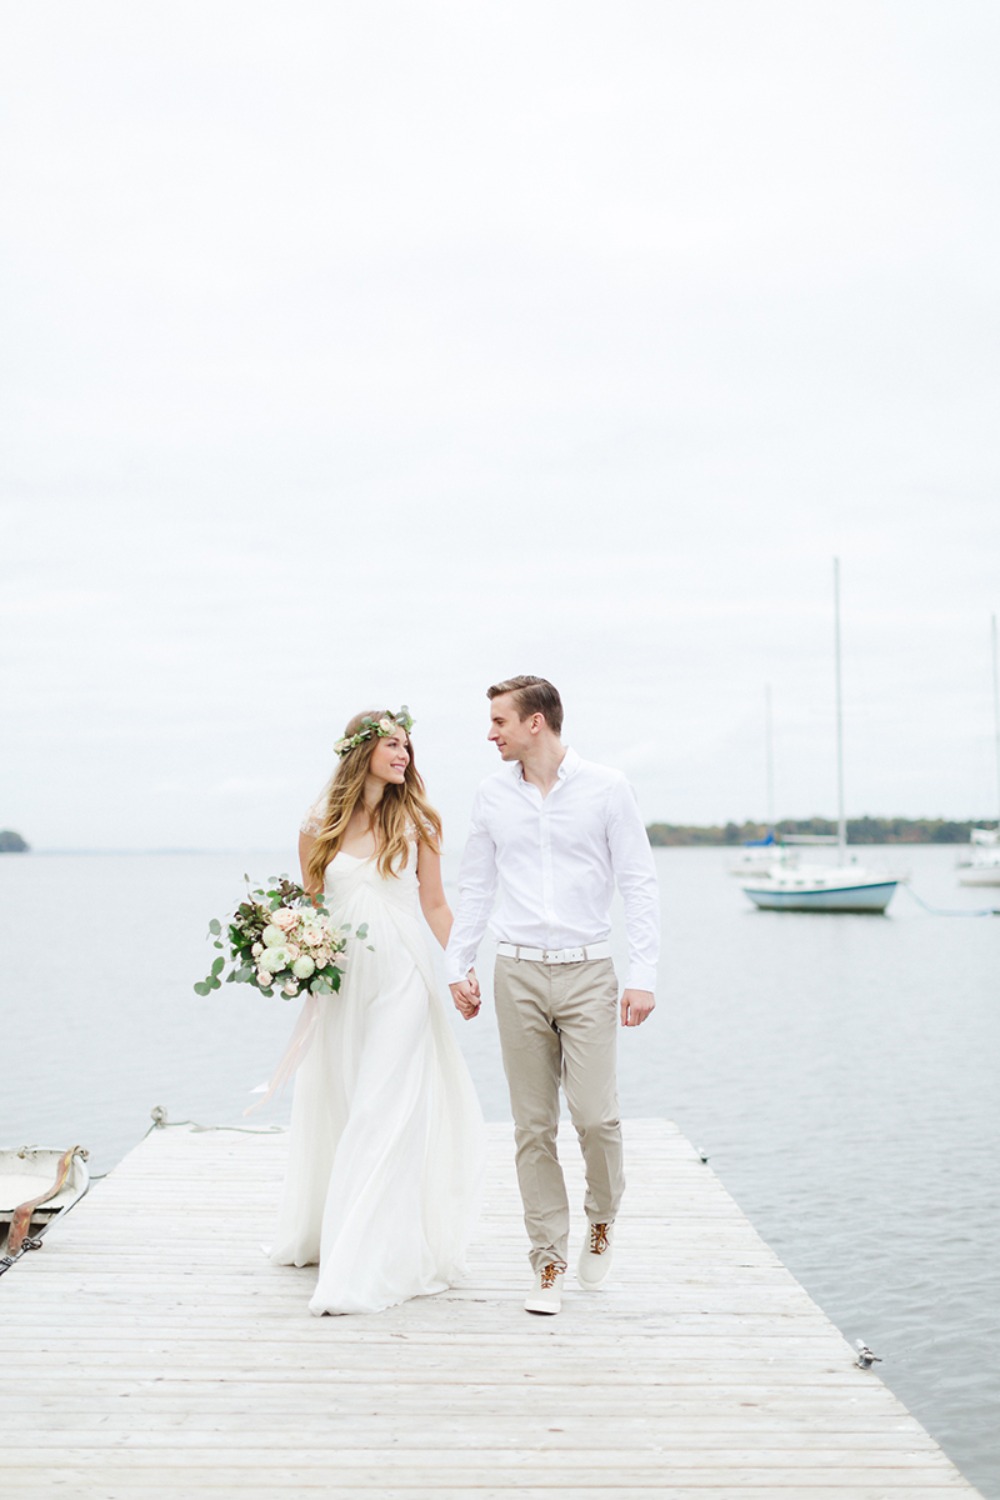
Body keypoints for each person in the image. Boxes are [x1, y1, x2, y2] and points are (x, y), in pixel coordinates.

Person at [446, 676, 659, 1316]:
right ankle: (548, 1261)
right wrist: (459, 961)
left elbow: (639, 883)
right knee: (532, 1126)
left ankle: (601, 1218)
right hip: (516, 973)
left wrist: (644, 972)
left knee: (596, 1118)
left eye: (499, 721)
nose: (491, 733)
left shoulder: (608, 788)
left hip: (589, 972)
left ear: (535, 723)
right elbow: (476, 886)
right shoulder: (490, 796)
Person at [269, 706, 485, 1316]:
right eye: (392, 743)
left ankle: (362, 1265)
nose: (404, 754)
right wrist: (284, 951)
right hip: (341, 982)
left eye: (408, 745)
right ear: (359, 751)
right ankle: (333, 1231)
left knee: (381, 1109)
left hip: (402, 976)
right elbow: (310, 909)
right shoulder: (318, 827)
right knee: (341, 1097)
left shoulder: (420, 822)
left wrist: (460, 968)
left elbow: (438, 906)